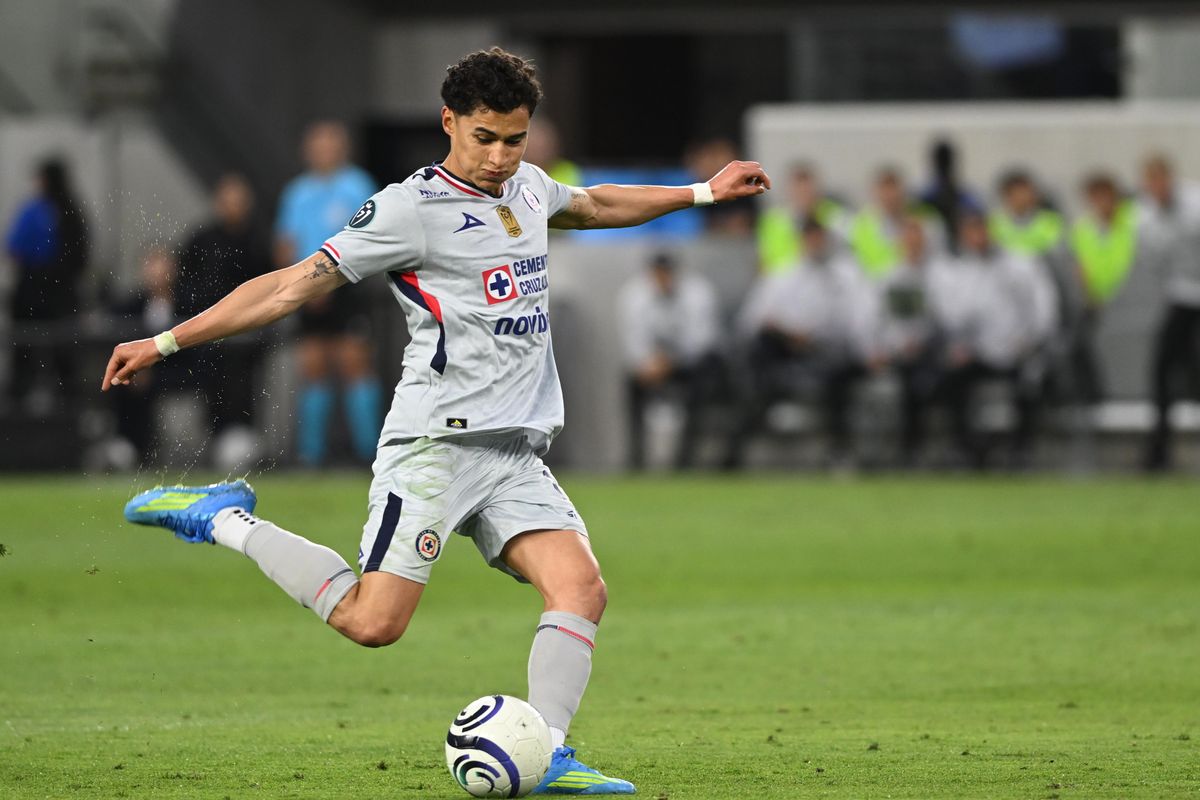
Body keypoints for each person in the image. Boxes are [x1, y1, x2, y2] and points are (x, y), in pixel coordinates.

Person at [103, 47, 770, 794]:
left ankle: (545, 753)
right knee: (371, 622)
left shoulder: (525, 188)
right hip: (435, 447)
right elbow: (291, 287)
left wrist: (703, 194)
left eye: (514, 140)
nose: (498, 156)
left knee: (581, 589)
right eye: (484, 138)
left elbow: (592, 205)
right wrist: (165, 339)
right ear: (448, 122)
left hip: (514, 452)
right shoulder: (407, 210)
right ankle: (224, 517)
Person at [723, 219, 879, 470]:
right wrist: (787, 333)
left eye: (818, 238)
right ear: (801, 241)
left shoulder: (843, 277)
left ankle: (838, 452)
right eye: (810, 238)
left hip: (826, 351)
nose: (814, 243)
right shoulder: (782, 276)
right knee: (759, 356)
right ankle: (736, 448)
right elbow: (751, 323)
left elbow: (852, 324)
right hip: (784, 351)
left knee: (841, 375)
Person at [275, 121, 382, 466]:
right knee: (313, 367)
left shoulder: (357, 185)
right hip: (307, 291)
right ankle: (311, 456)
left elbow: (374, 237)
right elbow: (286, 243)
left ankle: (370, 454)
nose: (324, 151)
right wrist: (296, 285)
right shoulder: (297, 192)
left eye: (330, 144)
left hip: (347, 286)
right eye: (317, 144)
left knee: (355, 365)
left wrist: (333, 282)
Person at [942, 211, 1057, 469]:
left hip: (1020, 350)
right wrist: (962, 346)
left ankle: (1021, 450)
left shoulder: (1020, 264)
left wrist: (1032, 340)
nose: (978, 238)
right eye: (971, 232)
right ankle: (969, 449)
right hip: (981, 353)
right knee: (951, 381)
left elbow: (1044, 306)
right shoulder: (961, 272)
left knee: (1029, 384)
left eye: (981, 230)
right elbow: (954, 317)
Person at [175, 174, 271, 449]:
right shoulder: (201, 240)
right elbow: (185, 283)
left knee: (245, 385)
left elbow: (269, 285)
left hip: (249, 332)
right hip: (208, 332)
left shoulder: (258, 241)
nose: (234, 207)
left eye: (239, 201)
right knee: (211, 383)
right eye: (228, 201)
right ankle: (214, 437)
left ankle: (245, 439)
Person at [617, 253, 722, 470]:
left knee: (703, 382)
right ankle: (636, 459)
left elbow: (703, 339)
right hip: (651, 366)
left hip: (688, 364)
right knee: (630, 384)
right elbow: (631, 338)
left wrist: (671, 362)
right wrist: (647, 364)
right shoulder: (634, 294)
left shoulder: (698, 292)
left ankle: (685, 460)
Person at [5, 158, 89, 412]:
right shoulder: (66, 211)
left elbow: (14, 246)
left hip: (45, 295)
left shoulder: (49, 211)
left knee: (50, 351)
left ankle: (55, 406)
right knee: (31, 349)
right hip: (50, 295)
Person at [876, 217, 958, 466]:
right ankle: (908, 448)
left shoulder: (944, 274)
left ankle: (944, 448)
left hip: (937, 350)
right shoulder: (890, 277)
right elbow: (881, 320)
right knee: (907, 378)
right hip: (901, 352)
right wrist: (890, 346)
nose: (913, 243)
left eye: (917, 237)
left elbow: (952, 317)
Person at [1137, 154, 1200, 471]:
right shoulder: (1145, 218)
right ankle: (1158, 450)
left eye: (1161, 180)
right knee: (1164, 368)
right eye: (1151, 182)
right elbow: (1156, 268)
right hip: (1181, 297)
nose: (1157, 188)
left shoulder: (1196, 205)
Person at [1068, 173, 1137, 405]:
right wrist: (1090, 295)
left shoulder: (1134, 222)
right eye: (1095, 197)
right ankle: (1090, 393)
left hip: (1132, 297)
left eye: (1106, 196)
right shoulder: (1083, 229)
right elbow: (1080, 267)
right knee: (1075, 339)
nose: (1102, 202)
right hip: (1097, 300)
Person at [755, 164, 849, 278]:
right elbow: (767, 263)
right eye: (799, 190)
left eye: (807, 190)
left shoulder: (834, 216)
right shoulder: (773, 221)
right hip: (788, 281)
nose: (803, 194)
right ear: (789, 190)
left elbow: (846, 254)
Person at [849, 167, 924, 279]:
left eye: (894, 189)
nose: (891, 196)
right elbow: (863, 271)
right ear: (876, 192)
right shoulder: (862, 227)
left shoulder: (923, 220)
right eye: (885, 190)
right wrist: (904, 261)